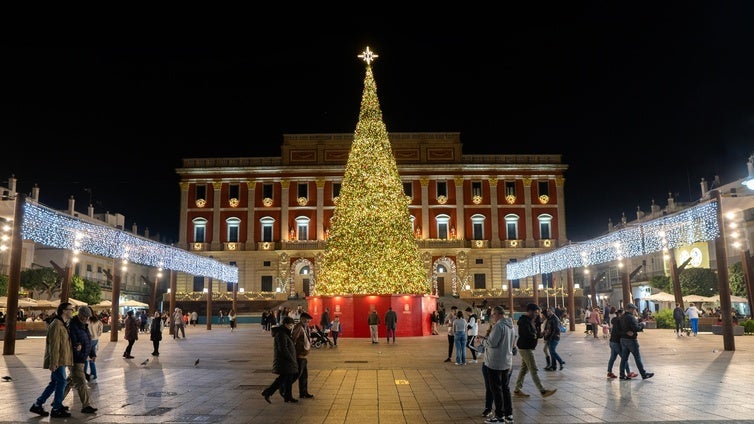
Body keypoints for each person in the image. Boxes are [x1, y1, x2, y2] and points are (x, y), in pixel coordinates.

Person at [30, 302, 74, 418]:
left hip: (61, 359)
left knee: (54, 382)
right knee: (62, 382)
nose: (72, 311)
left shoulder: (62, 323)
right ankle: (56, 408)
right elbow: (54, 345)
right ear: (64, 311)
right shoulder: (56, 324)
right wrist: (54, 362)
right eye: (71, 309)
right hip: (57, 360)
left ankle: (38, 404)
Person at [477, 305, 516, 424]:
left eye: (493, 314)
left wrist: (482, 341)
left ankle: (499, 417)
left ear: (498, 314)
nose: (492, 317)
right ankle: (509, 414)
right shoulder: (510, 326)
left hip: (495, 362)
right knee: (505, 389)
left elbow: (492, 343)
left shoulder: (499, 326)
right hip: (506, 361)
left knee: (496, 390)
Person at [513, 303, 557, 398]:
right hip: (525, 348)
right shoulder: (523, 321)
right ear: (529, 311)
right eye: (535, 312)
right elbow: (527, 335)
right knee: (533, 369)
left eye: (537, 312)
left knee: (524, 369)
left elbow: (535, 334)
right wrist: (537, 335)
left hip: (530, 347)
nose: (536, 314)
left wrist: (541, 334)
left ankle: (517, 389)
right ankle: (542, 391)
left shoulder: (535, 321)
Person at [64, 306, 98, 414]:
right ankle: (86, 405)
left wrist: (92, 353)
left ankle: (57, 401)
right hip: (76, 359)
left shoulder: (84, 325)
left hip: (81, 358)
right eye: (85, 316)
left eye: (88, 316)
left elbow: (88, 340)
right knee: (82, 382)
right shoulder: (73, 325)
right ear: (80, 314)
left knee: (69, 382)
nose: (86, 318)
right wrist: (79, 353)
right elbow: (74, 342)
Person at [261, 316, 299, 403]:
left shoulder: (285, 332)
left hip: (286, 361)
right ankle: (268, 392)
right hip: (284, 361)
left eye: (292, 326)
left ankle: (287, 397)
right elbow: (283, 349)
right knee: (282, 378)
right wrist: (291, 359)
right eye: (290, 325)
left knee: (288, 378)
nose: (291, 327)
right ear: (285, 325)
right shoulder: (281, 334)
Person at [619, 303, 654, 380]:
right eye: (634, 309)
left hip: (623, 340)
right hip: (631, 341)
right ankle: (643, 374)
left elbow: (618, 329)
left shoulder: (621, 317)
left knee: (624, 359)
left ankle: (621, 374)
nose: (634, 311)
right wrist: (642, 324)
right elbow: (636, 328)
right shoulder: (631, 317)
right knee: (637, 358)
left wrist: (626, 332)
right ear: (630, 309)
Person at [606, 309, 636, 379]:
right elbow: (618, 332)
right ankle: (628, 373)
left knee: (612, 358)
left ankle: (609, 372)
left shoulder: (616, 320)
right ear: (619, 314)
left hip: (612, 342)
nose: (624, 316)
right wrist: (626, 333)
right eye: (623, 314)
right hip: (616, 342)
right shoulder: (618, 321)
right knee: (624, 358)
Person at [291, 312, 314, 399]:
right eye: (306, 320)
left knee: (304, 376)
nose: (307, 321)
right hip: (299, 356)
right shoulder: (299, 327)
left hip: (304, 356)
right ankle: (283, 387)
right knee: (296, 376)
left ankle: (303, 393)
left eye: (308, 320)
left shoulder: (305, 327)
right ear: (301, 319)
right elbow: (293, 339)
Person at [543, 307, 565, 371]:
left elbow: (556, 329)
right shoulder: (550, 318)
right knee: (551, 352)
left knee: (552, 351)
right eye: (547, 311)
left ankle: (560, 361)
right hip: (550, 337)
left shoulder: (555, 319)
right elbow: (547, 328)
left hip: (554, 337)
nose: (548, 312)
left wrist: (551, 337)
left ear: (552, 311)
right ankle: (553, 366)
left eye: (549, 311)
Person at [85, 308, 103, 383]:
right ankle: (94, 375)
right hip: (95, 340)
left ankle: (84, 375)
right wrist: (97, 335)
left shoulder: (86, 321)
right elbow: (100, 330)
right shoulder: (97, 321)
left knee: (85, 359)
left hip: (87, 340)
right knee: (92, 359)